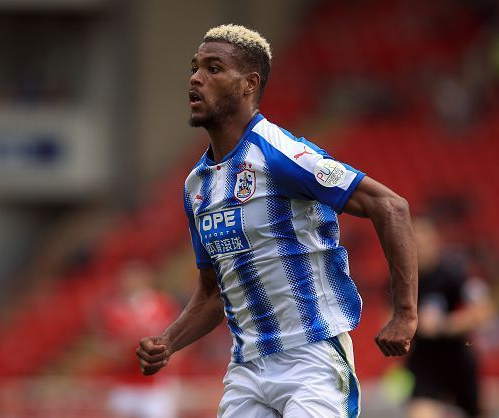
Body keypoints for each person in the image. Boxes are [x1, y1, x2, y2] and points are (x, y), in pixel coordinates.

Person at [136, 24, 418, 417]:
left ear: (249, 84)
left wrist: (405, 313)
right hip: (246, 368)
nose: (197, 78)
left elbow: (390, 206)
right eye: (194, 67)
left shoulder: (280, 153)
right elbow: (214, 292)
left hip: (311, 358)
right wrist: (169, 341)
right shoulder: (197, 185)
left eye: (214, 68)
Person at [406, 217, 494, 418]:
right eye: (414, 244)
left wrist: (443, 325)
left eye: (424, 243)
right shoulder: (402, 277)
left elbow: (483, 311)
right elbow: (389, 318)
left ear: (435, 242)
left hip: (459, 359)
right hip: (425, 363)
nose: (419, 250)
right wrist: (413, 324)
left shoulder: (454, 272)